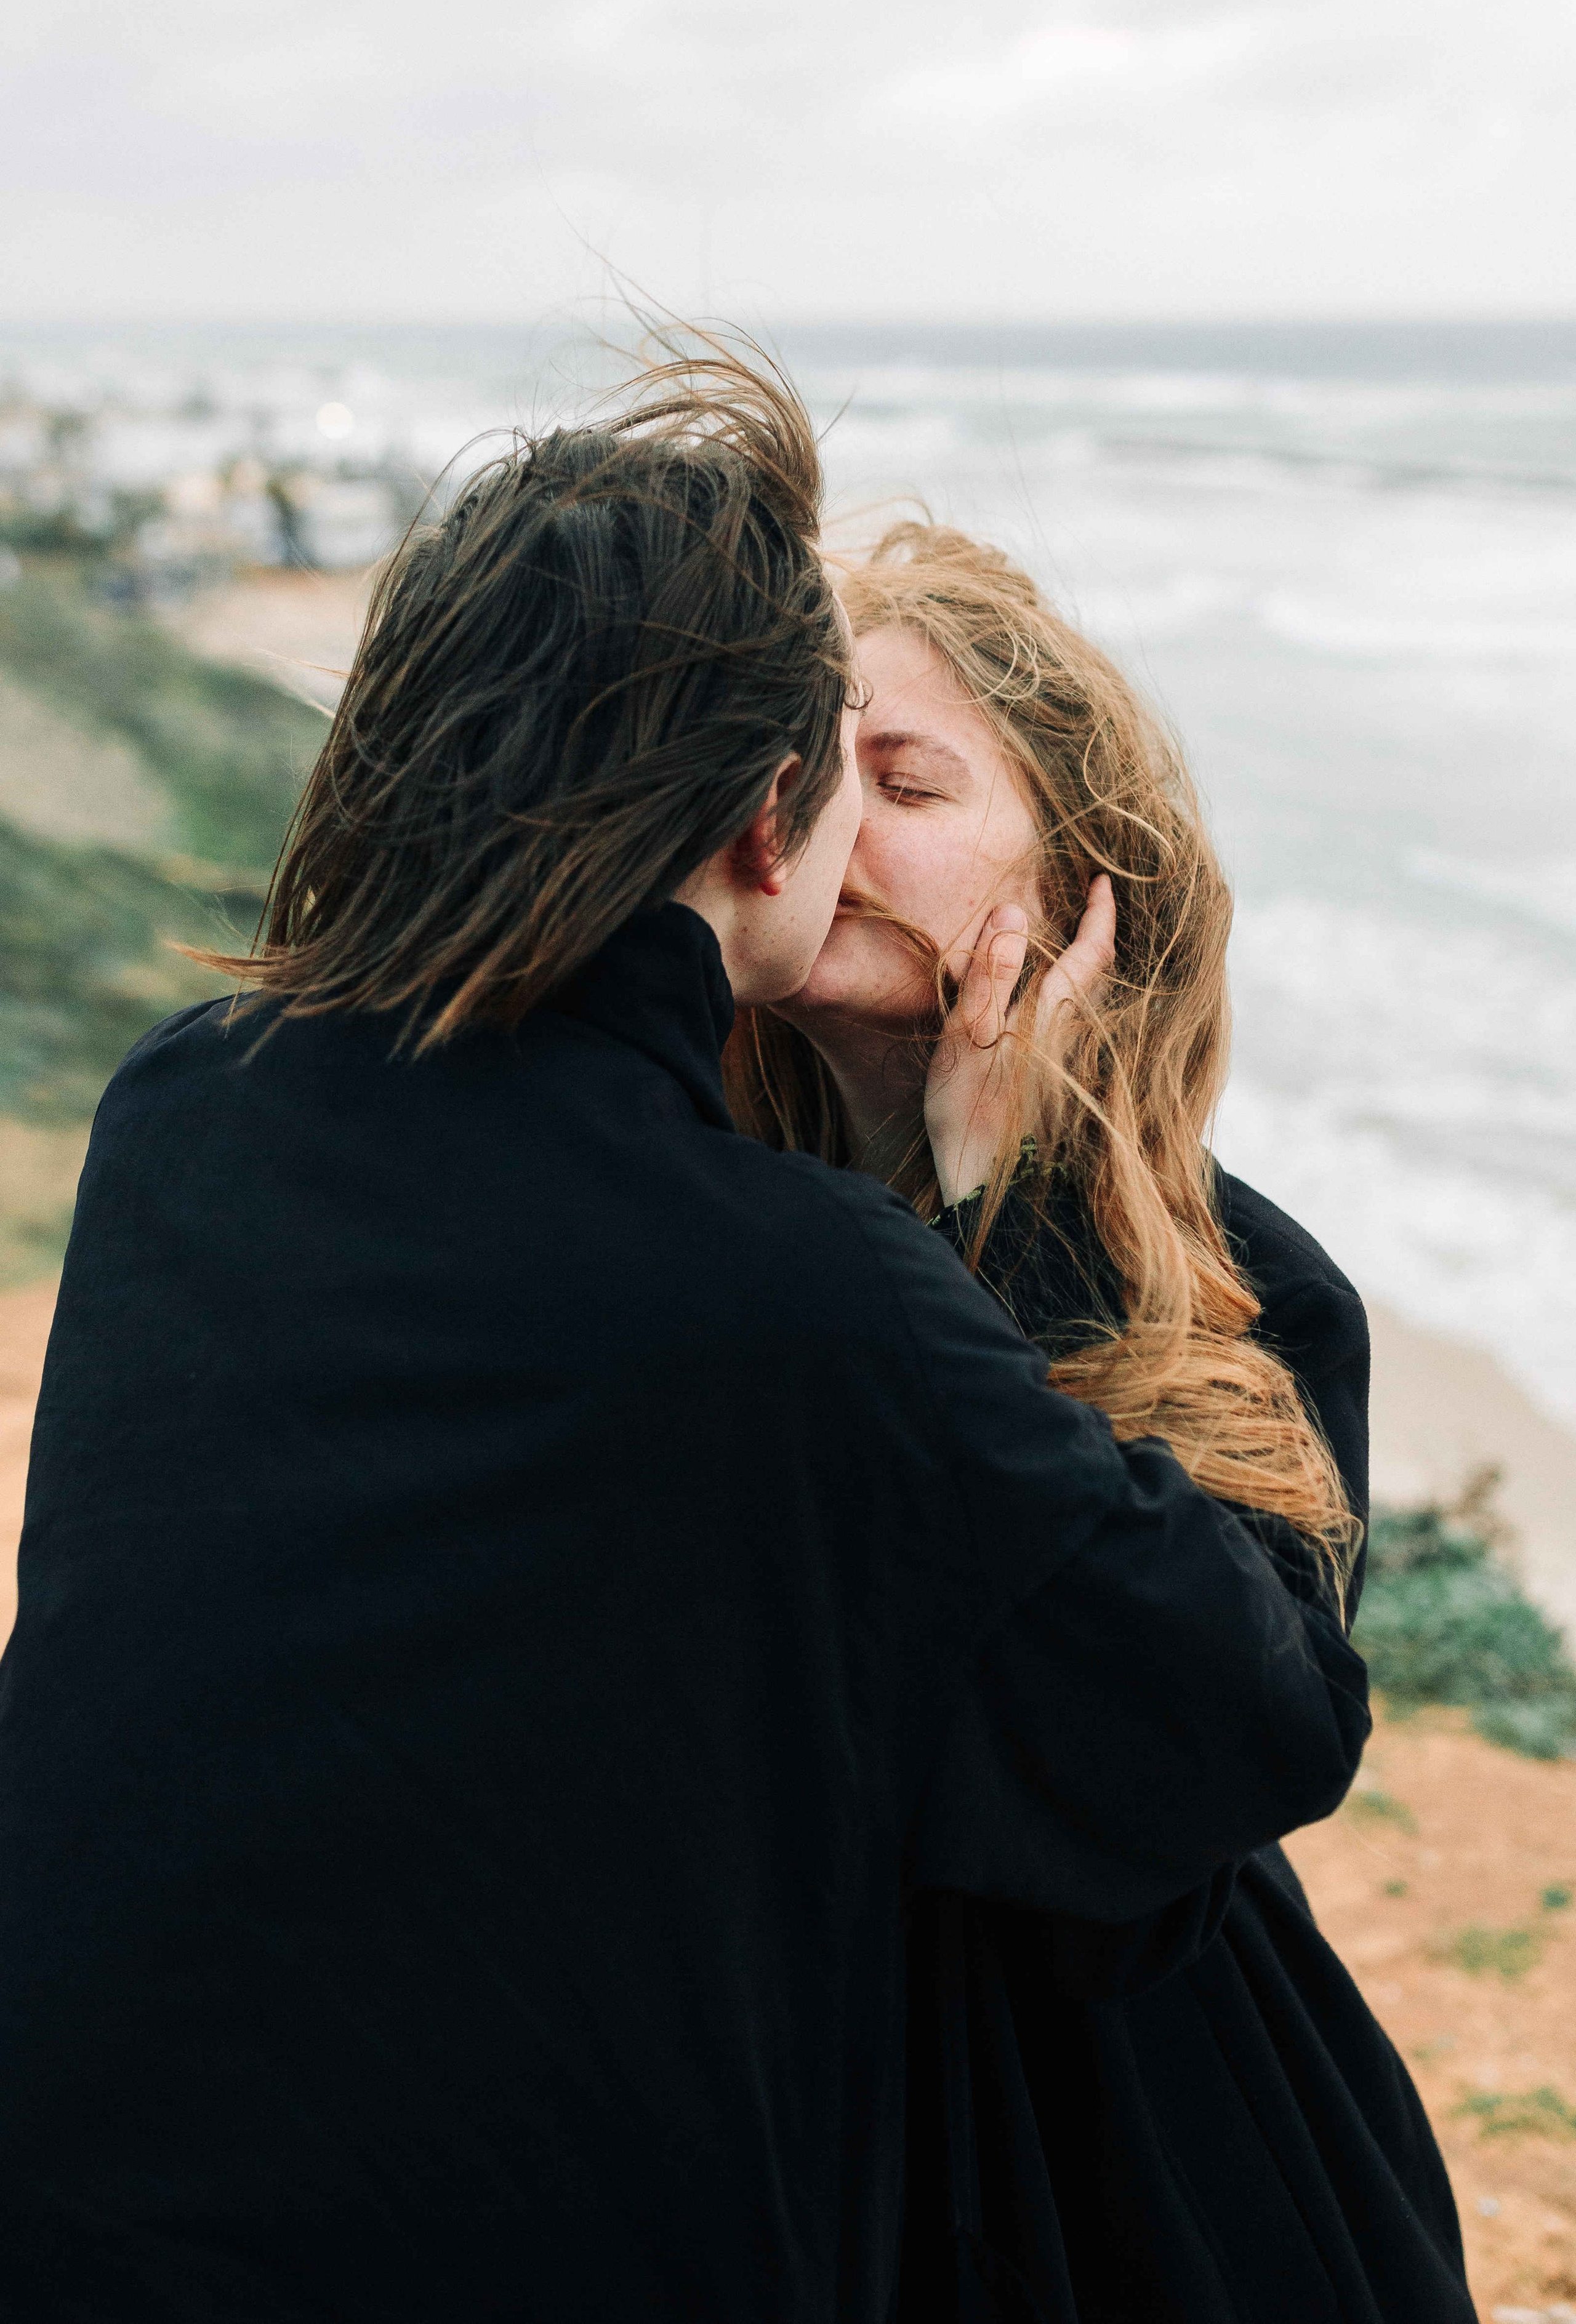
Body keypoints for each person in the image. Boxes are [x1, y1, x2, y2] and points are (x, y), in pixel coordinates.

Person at [0, 352, 1366, 2324]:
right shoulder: (759, 1261)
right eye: (849, 778)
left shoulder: (186, 1109)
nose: (867, 844)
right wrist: (999, 1228)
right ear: (759, 827)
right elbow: (1187, 1719)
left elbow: (1148, 1847)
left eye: (926, 787)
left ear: (1086, 886)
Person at [727, 520, 1472, 2323]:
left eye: (905, 779)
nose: (836, 823)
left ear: (1081, 886)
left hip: (1147, 2152)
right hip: (771, 2128)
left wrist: (1001, 1219)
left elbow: (1172, 1783)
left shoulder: (1252, 1296)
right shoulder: (692, 1219)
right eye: (806, 773)